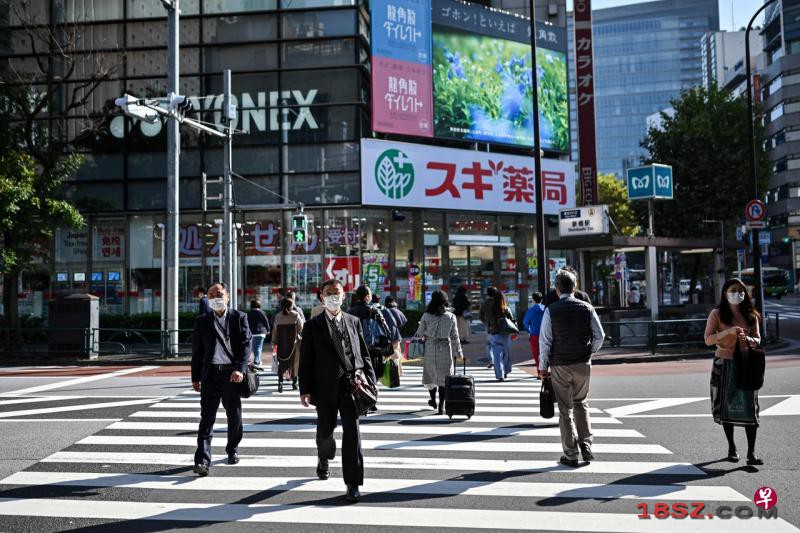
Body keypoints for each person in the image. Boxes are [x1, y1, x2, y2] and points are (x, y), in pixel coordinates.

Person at [299, 278, 377, 503]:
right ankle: (324, 458)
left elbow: (363, 354)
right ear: (322, 297)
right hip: (324, 388)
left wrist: (371, 380)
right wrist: (305, 389)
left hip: (351, 385)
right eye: (329, 293)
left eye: (338, 292)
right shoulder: (313, 325)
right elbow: (306, 361)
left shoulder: (353, 321)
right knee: (325, 431)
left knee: (353, 434)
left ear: (344, 296)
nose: (334, 296)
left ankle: (352, 483)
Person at [538, 270, 605, 468]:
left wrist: (543, 367)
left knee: (565, 409)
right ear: (574, 287)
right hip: (582, 363)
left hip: (560, 364)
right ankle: (586, 445)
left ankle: (571, 453)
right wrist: (589, 352)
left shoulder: (551, 310)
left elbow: (545, 342)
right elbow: (599, 336)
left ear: (557, 289)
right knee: (581, 403)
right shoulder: (587, 308)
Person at [190, 283, 252, 476]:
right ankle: (202, 460)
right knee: (206, 418)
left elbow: (246, 345)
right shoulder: (202, 321)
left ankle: (232, 448)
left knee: (234, 416)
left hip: (231, 374)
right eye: (211, 295)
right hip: (210, 375)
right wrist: (195, 377)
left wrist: (240, 369)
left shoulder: (239, 317)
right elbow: (197, 351)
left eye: (219, 294)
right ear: (207, 298)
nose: (215, 298)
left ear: (227, 297)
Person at [704, 278, 763, 465]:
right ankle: (732, 448)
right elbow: (708, 339)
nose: (737, 294)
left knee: (750, 407)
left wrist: (746, 338)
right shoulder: (717, 314)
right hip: (724, 363)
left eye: (740, 290)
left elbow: (758, 340)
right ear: (725, 293)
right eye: (733, 290)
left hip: (746, 364)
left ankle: (751, 452)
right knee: (725, 406)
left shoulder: (751, 316)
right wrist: (727, 333)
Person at [415, 290, 462, 414]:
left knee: (431, 376)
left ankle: (433, 400)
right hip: (445, 349)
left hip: (430, 348)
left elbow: (419, 333)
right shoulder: (451, 316)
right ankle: (442, 405)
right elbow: (455, 336)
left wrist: (425, 332)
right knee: (444, 378)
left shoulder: (426, 315)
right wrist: (459, 353)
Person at [348, 286, 396, 394]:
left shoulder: (350, 312)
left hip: (355, 348)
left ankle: (361, 396)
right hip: (373, 348)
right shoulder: (374, 311)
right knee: (373, 372)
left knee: (358, 373)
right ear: (367, 296)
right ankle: (372, 396)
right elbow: (386, 330)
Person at [273, 297, 304, 393]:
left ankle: (280, 382)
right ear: (292, 305)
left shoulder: (278, 316)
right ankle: (294, 383)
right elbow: (301, 328)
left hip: (281, 343)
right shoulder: (295, 315)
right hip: (294, 343)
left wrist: (274, 342)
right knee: (295, 362)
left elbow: (275, 330)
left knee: (282, 363)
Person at [485, 291, 516, 381]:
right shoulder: (506, 309)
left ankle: (500, 375)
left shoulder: (490, 311)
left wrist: (489, 330)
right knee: (506, 354)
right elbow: (512, 320)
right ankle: (506, 371)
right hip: (505, 334)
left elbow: (488, 322)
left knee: (497, 356)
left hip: (495, 334)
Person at [522, 292, 546, 372]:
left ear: (533, 300)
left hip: (534, 335)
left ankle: (539, 372)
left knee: (536, 354)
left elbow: (525, 322)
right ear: (541, 299)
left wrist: (530, 330)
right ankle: (545, 370)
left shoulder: (530, 310)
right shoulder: (546, 309)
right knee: (545, 353)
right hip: (545, 335)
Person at [247, 299, 270, 367]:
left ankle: (257, 360)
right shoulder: (262, 312)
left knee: (253, 347)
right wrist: (268, 330)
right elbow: (266, 322)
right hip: (261, 332)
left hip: (251, 332)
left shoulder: (249, 313)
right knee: (258, 347)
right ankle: (257, 361)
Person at [479, 286, 498, 368]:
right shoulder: (499, 302)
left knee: (489, 344)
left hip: (489, 326)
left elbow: (480, 316)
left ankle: (491, 360)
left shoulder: (485, 302)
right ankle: (498, 360)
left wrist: (485, 322)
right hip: (499, 326)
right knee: (499, 344)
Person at [384, 296, 408, 362]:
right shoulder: (396, 310)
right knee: (397, 357)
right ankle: (397, 371)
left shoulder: (382, 311)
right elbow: (403, 321)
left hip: (384, 338)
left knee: (386, 358)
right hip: (395, 337)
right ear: (393, 302)